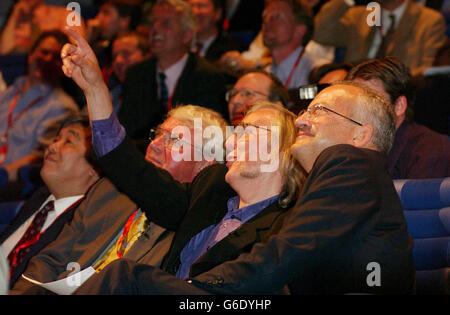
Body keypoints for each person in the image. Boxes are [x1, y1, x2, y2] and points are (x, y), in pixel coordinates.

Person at [62, 27, 413, 294]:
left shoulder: (352, 166)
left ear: (360, 134)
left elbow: (279, 260)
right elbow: (135, 173)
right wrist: (94, 89)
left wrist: (193, 292)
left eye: (320, 110)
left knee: (126, 276)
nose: (303, 119)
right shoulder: (212, 192)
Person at [10, 105, 228, 294]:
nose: (156, 144)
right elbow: (51, 259)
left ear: (205, 165)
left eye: (174, 140)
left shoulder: (193, 227)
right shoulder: (109, 189)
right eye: (158, 135)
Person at [0, 116, 101, 287]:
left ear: (94, 168)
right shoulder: (41, 198)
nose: (52, 147)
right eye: (55, 139)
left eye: (68, 141)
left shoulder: (84, 224)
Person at [117, 0, 229, 141]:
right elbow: (126, 132)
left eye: (166, 23)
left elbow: (210, 138)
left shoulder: (207, 77)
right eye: (153, 23)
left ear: (186, 35)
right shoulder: (136, 74)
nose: (155, 29)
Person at [347, 57, 450, 179]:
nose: (359, 109)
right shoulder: (349, 143)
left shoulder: (430, 149)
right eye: (354, 101)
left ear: (399, 106)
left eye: (370, 100)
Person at [0, 30, 79, 183]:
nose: (48, 59)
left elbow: (42, 157)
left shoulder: (63, 107)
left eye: (56, 57)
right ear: (31, 55)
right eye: (44, 52)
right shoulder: (9, 93)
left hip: (14, 185)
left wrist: (2, 176)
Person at [313, 0, 447, 76]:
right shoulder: (360, 15)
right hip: (356, 91)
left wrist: (384, 81)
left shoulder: (429, 20)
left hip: (400, 92)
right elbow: (321, 35)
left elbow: (427, 72)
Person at [0, 0, 86, 55]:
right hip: (23, 77)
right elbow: (4, 53)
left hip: (57, 73)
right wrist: (15, 13)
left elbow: (77, 50)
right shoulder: (16, 22)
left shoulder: (67, 14)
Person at [86, 0, 142, 72]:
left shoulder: (135, 48)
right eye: (99, 12)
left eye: (106, 13)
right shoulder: (104, 45)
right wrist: (89, 39)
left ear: (124, 21)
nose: (98, 18)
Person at [108, 31, 150, 114]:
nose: (118, 61)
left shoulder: (159, 95)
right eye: (114, 56)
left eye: (126, 54)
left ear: (147, 57)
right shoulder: (111, 95)